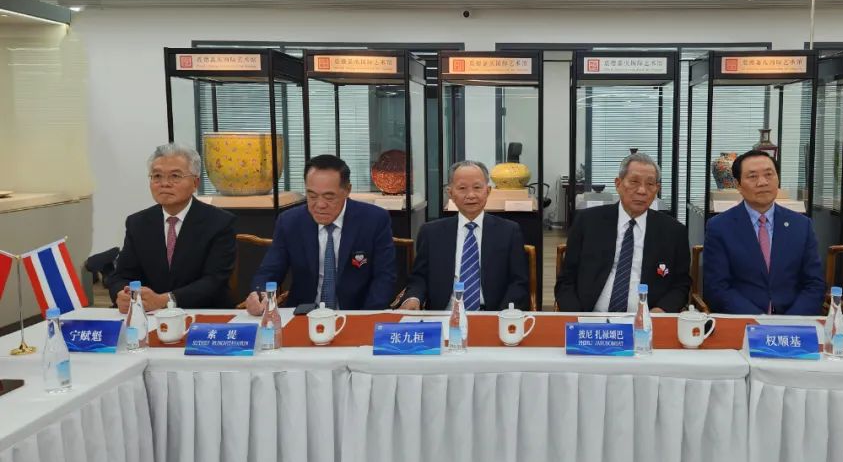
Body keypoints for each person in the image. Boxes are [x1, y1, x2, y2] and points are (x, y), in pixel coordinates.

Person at [246, 154, 396, 313]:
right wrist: (259, 294)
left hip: (356, 313)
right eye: (312, 196)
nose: (320, 205)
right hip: (304, 314)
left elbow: (384, 277)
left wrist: (366, 317)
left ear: (347, 190)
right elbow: (270, 271)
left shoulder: (373, 220)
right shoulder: (290, 222)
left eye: (329, 197)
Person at [107, 143, 236, 311]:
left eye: (175, 176)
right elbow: (121, 276)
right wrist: (122, 294)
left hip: (202, 313)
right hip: (150, 315)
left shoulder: (220, 222)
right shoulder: (137, 223)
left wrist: (165, 300)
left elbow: (214, 281)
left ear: (195, 182)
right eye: (157, 176)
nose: (164, 183)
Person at [555, 152, 690, 313]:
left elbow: (681, 284)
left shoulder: (674, 232)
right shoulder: (588, 222)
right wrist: (578, 318)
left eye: (650, 184)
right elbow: (566, 281)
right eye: (634, 182)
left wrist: (661, 310)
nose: (642, 191)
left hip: (647, 321)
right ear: (618, 184)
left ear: (657, 189)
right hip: (591, 318)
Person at [702, 150, 824, 315]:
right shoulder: (720, 227)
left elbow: (814, 284)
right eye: (752, 176)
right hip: (743, 320)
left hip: (793, 321)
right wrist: (760, 321)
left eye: (769, 174)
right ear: (738, 185)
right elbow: (717, 287)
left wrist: (790, 321)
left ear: (778, 179)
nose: (762, 182)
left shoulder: (802, 226)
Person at [400, 160, 530, 311]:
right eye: (462, 188)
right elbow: (419, 278)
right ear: (450, 193)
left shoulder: (509, 231)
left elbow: (518, 282)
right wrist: (413, 298)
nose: (471, 195)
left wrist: (503, 314)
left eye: (477, 187)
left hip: (492, 314)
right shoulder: (431, 232)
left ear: (488, 191)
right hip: (444, 313)